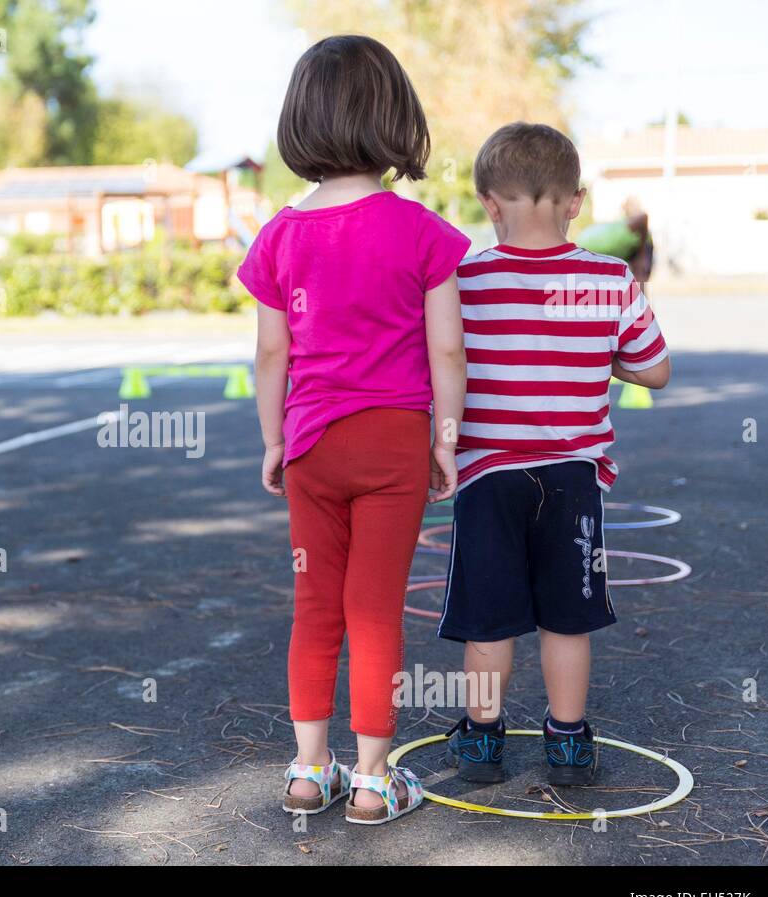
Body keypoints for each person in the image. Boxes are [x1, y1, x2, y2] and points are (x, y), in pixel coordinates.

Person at [236, 34, 469, 824]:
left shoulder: (279, 235)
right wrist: (445, 438)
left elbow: (272, 350)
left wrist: (274, 440)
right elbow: (446, 346)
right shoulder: (422, 232)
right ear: (393, 119)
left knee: (315, 608)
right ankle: (373, 778)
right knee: (374, 608)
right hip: (394, 444)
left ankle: (308, 770)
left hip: (310, 447)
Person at [440, 122, 672, 785]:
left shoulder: (462, 278)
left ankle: (483, 740)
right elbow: (655, 370)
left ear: (488, 200)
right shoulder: (608, 278)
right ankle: (567, 742)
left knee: (488, 620)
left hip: (487, 475)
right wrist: (601, 360)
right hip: (574, 477)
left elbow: (442, 358)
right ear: (576, 200)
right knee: (568, 619)